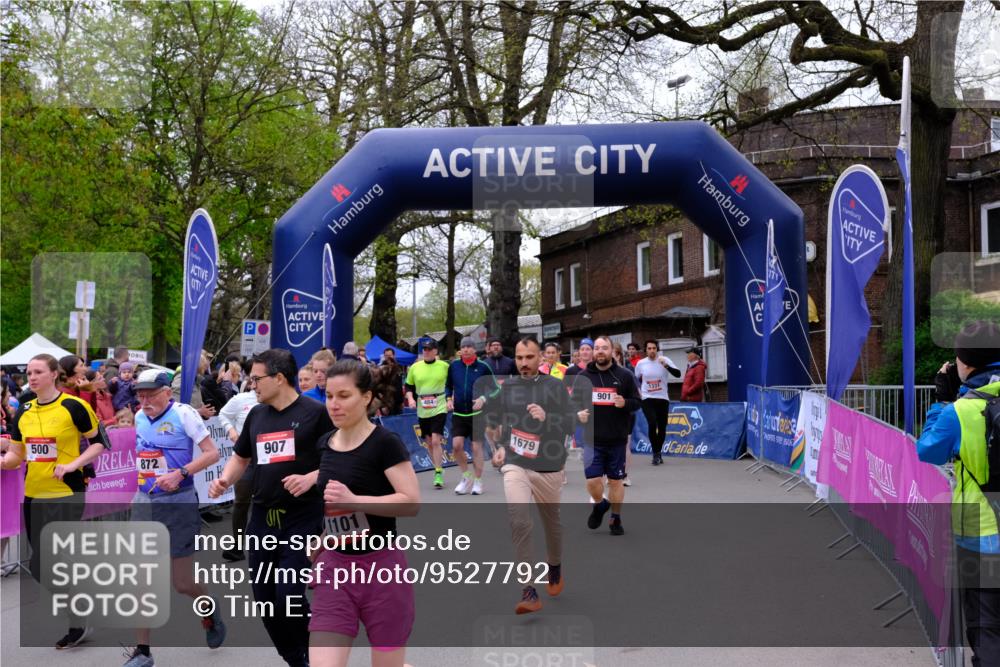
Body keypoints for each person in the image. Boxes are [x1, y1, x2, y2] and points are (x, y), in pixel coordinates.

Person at [209, 349, 333, 667]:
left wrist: (311, 478)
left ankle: (321, 654)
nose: (252, 385)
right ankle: (295, 659)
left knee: (289, 594)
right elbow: (241, 457)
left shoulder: (315, 413)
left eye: (257, 379)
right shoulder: (256, 414)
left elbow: (340, 459)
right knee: (265, 601)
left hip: (302, 517)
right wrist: (224, 480)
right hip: (263, 518)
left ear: (279, 378)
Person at [308, 360, 421, 667]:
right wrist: (322, 539)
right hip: (335, 569)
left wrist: (356, 500)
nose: (334, 404)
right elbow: (335, 507)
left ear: (367, 397)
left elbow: (411, 502)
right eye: (329, 396)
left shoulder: (384, 443)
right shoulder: (325, 444)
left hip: (381, 571)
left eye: (344, 396)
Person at [1, 353, 109, 649]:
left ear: (53, 374)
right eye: (29, 373)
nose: (31, 377)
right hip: (34, 494)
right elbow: (15, 456)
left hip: (67, 493)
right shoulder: (23, 411)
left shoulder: (74, 406)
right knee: (40, 566)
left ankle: (78, 619)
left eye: (37, 372)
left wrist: (75, 464)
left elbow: (101, 442)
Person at [123, 369, 226, 667]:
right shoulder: (140, 416)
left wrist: (180, 473)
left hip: (178, 502)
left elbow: (212, 454)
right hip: (145, 502)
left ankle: (208, 609)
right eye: (140, 395)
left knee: (182, 584)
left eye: (151, 394)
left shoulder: (184, 415)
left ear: (168, 392)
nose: (144, 401)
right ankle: (143, 651)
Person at [916, 321, 1000, 667]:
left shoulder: (961, 411)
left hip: (981, 535)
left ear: (966, 364)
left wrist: (942, 401)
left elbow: (928, 450)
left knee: (987, 626)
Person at [484, 337, 572, 613]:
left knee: (552, 527)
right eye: (520, 358)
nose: (524, 363)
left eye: (529, 357)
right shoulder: (508, 387)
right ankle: (529, 590)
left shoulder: (555, 387)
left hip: (548, 466)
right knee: (519, 521)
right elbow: (495, 423)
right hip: (516, 462)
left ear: (541, 359)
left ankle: (554, 566)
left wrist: (547, 417)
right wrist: (498, 448)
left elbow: (571, 423)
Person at [573, 336, 640, 536]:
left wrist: (625, 403)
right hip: (592, 439)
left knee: (615, 482)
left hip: (616, 439)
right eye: (597, 348)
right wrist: (578, 414)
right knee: (593, 482)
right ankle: (601, 504)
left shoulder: (625, 375)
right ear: (593, 352)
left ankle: (615, 518)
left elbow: (637, 402)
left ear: (612, 351)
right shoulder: (583, 377)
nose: (600, 351)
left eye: (605, 348)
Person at [445, 337, 500, 496]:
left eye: (469, 347)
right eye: (464, 347)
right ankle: (466, 476)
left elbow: (496, 389)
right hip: (459, 413)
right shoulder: (453, 366)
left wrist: (484, 399)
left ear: (475, 350)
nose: (467, 349)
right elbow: (448, 386)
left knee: (476, 448)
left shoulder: (483, 367)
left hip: (477, 414)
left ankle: (478, 480)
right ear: (460, 350)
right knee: (456, 446)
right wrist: (448, 399)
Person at [217, 383, 260, 562]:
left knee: (266, 502)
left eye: (259, 378)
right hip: (245, 458)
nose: (255, 383)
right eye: (253, 379)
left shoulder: (275, 400)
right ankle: (237, 546)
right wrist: (232, 432)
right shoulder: (241, 399)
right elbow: (223, 414)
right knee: (241, 502)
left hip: (269, 460)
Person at [404, 339, 450, 489]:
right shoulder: (415, 367)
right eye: (424, 349)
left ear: (436, 351)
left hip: (440, 405)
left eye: (429, 349)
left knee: (436, 440)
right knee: (429, 442)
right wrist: (410, 399)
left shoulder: (444, 366)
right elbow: (409, 386)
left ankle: (438, 472)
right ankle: (438, 465)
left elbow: (451, 384)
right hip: (422, 408)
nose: (426, 351)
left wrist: (451, 399)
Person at [634, 340, 681, 465]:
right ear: (646, 350)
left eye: (654, 348)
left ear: (657, 349)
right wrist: (639, 392)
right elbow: (635, 379)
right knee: (652, 422)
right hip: (647, 398)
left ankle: (658, 452)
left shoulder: (664, 360)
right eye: (649, 348)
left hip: (662, 397)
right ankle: (655, 454)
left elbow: (678, 374)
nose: (652, 351)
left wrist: (666, 366)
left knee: (662, 426)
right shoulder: (641, 363)